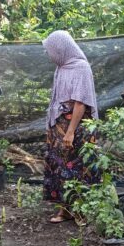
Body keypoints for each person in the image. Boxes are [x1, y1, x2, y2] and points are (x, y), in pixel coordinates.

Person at [42, 31, 101, 223]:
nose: (49, 54)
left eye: (51, 50)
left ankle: (82, 212)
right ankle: (65, 210)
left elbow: (80, 103)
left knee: (79, 168)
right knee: (59, 167)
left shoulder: (81, 67)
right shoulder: (61, 67)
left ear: (61, 49)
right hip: (60, 124)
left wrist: (70, 132)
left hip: (77, 127)